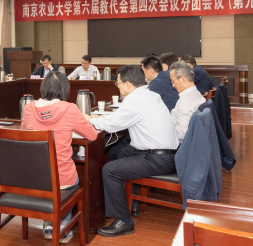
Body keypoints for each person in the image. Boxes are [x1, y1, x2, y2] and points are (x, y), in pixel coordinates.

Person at [85, 65, 179, 237]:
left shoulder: (134, 100)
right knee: (117, 153)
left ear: (128, 84)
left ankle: (124, 221)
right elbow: (119, 119)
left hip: (158, 159)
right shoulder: (150, 94)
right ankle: (128, 201)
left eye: (118, 83)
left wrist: (90, 120)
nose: (118, 87)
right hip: (167, 154)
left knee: (110, 170)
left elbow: (112, 124)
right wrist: (99, 118)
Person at [21, 71, 97, 243]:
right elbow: (92, 135)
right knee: (72, 176)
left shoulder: (29, 108)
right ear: (64, 89)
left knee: (49, 177)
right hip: (62, 179)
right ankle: (61, 226)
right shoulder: (70, 109)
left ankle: (49, 224)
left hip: (34, 178)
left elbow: (24, 134)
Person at [169, 62, 206, 142]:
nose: (173, 85)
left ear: (182, 79)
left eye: (173, 81)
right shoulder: (197, 94)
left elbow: (182, 134)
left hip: (179, 144)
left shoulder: (185, 101)